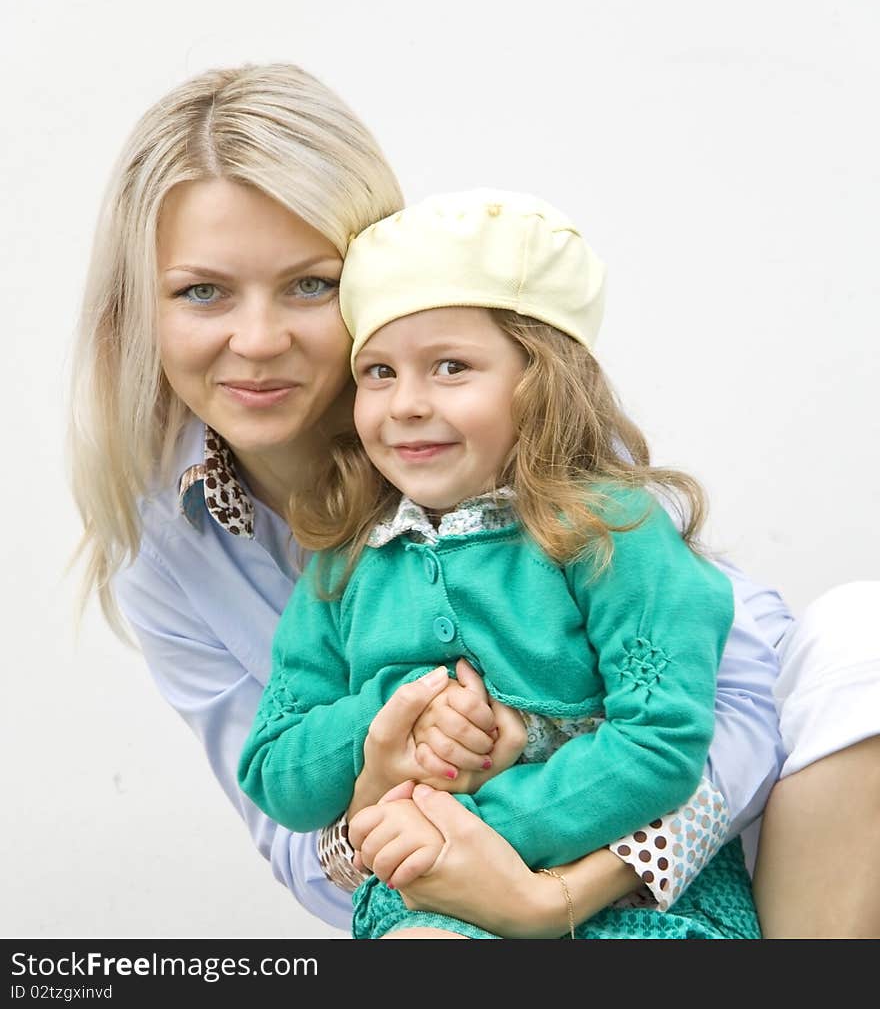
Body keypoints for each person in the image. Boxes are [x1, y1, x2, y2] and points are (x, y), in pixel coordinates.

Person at [67, 61, 880, 939]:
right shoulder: (168, 547)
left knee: (860, 640)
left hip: (654, 845)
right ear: (138, 311)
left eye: (310, 283)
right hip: (428, 881)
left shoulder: (502, 432)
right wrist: (383, 770)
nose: (258, 341)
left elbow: (734, 686)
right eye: (202, 291)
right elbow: (295, 837)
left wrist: (552, 892)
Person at [237, 186, 767, 939]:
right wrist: (396, 708)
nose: (406, 403)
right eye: (378, 372)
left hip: (622, 896)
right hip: (427, 904)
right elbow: (277, 773)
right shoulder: (345, 567)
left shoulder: (615, 533)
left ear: (542, 381)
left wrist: (478, 831)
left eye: (450, 367)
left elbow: (662, 742)